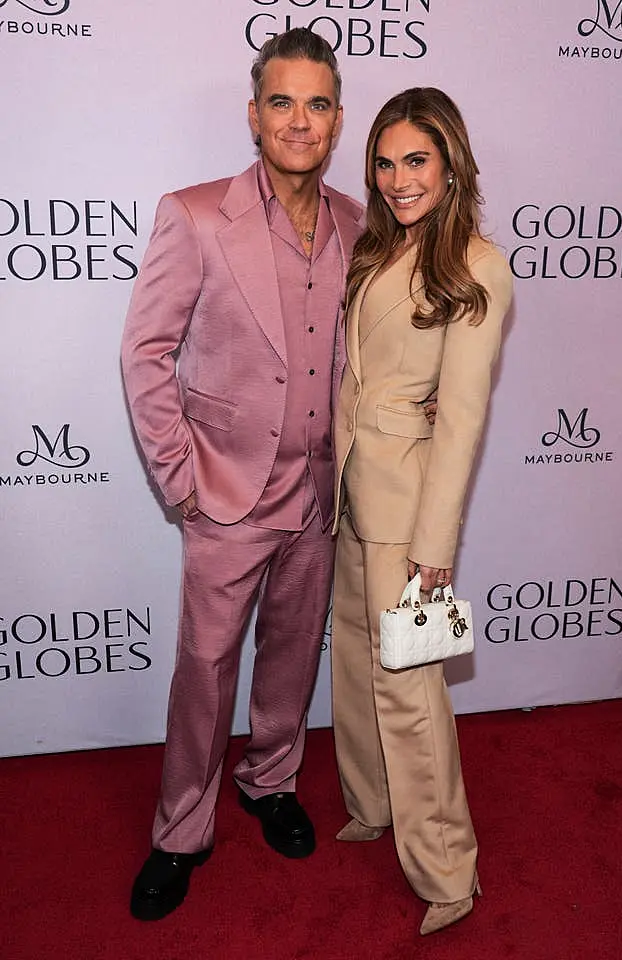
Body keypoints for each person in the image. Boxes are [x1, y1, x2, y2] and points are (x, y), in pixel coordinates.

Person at [120, 28, 365, 921]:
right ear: (254, 113)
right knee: (205, 666)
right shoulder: (193, 215)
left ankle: (270, 780)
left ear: (337, 119)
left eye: (318, 103)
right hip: (225, 490)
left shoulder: (357, 222)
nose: (300, 120)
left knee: (294, 655)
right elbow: (146, 352)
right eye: (282, 101)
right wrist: (180, 474)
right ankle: (180, 829)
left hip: (319, 490)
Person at [330, 87, 513, 936]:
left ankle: (448, 868)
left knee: (410, 687)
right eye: (386, 160)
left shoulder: (475, 264)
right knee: (359, 659)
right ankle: (371, 802)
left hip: (409, 507)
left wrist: (436, 546)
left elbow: (464, 414)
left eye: (417, 160)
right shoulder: (375, 251)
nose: (399, 177)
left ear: (450, 165)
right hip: (352, 491)